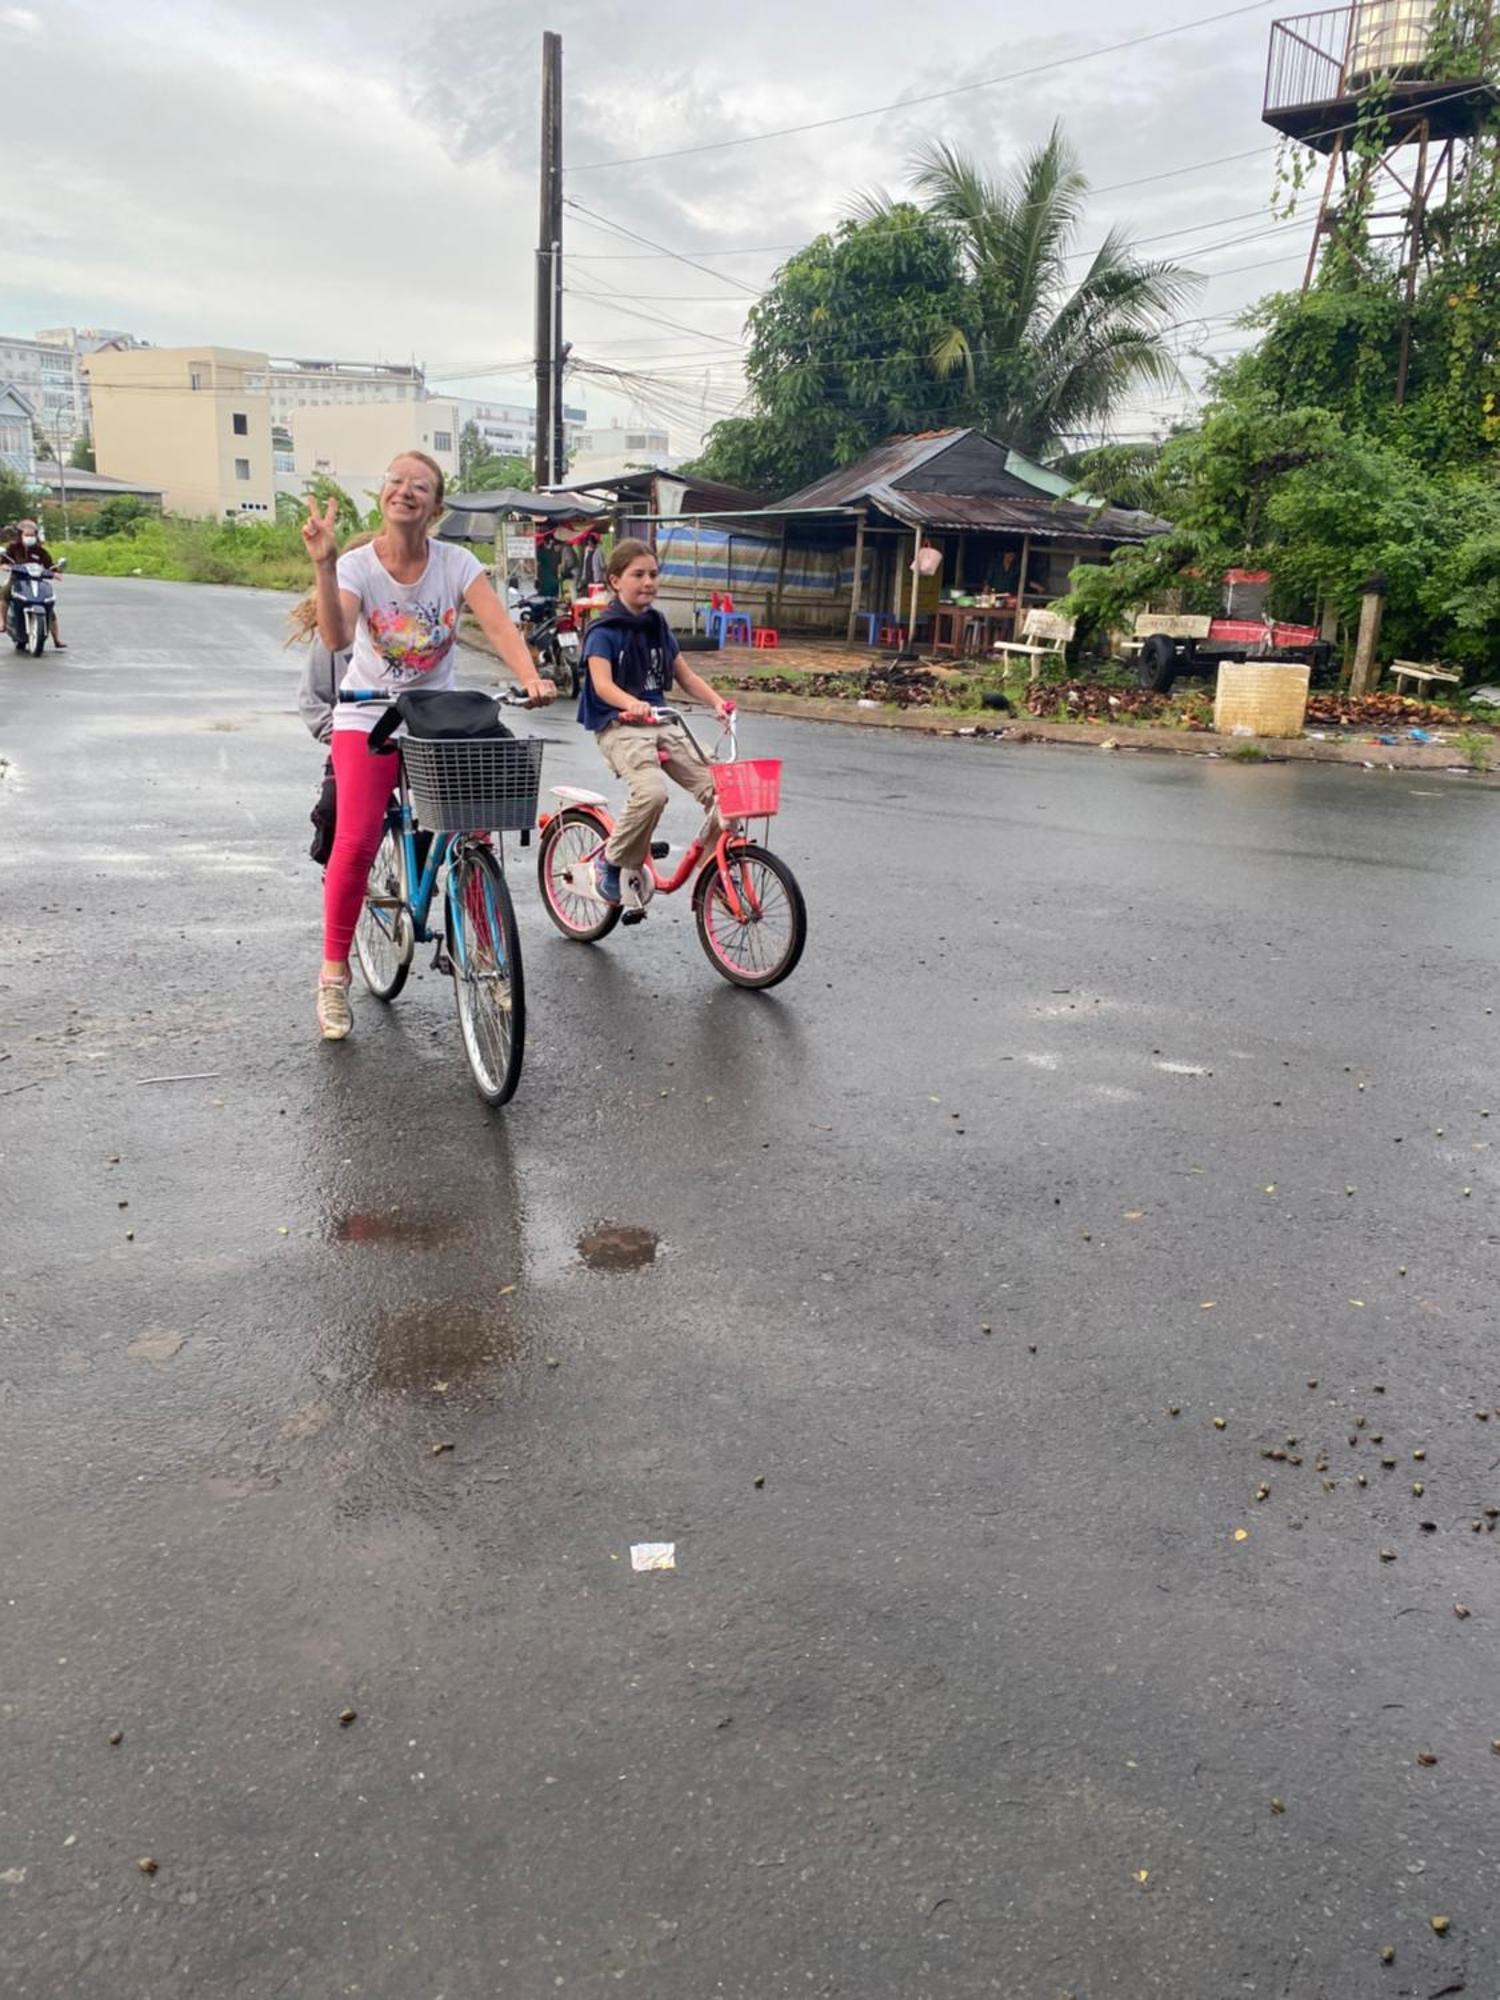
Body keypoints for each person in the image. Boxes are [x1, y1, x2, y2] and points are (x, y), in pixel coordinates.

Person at [300, 451, 556, 1042]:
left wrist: (530, 674)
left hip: (436, 717)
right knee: (360, 838)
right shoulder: (359, 566)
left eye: (421, 486)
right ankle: (334, 975)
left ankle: (486, 956)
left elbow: (498, 625)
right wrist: (325, 563)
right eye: (396, 481)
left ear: (436, 506)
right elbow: (336, 638)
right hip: (368, 712)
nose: (406, 491)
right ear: (383, 495)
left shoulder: (456, 562)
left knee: (476, 825)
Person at [578, 538, 729, 906]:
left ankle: (714, 868)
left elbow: (685, 676)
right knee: (652, 793)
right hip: (620, 725)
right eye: (638, 574)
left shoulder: (657, 625)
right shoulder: (603, 632)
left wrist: (717, 703)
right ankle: (611, 863)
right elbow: (602, 684)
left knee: (725, 789)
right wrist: (632, 704)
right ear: (615, 580)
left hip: (661, 722)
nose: (648, 582)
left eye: (654, 574)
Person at [2, 519, 65, 648]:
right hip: (18, 580)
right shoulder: (13, 547)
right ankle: (1, 622)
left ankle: (57, 639)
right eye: (27, 535)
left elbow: (49, 564)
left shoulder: (40, 550)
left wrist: (56, 572)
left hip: (36, 580)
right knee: (4, 594)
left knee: (48, 605)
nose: (29, 537)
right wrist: (4, 566)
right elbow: (4, 560)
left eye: (32, 535)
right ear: (21, 535)